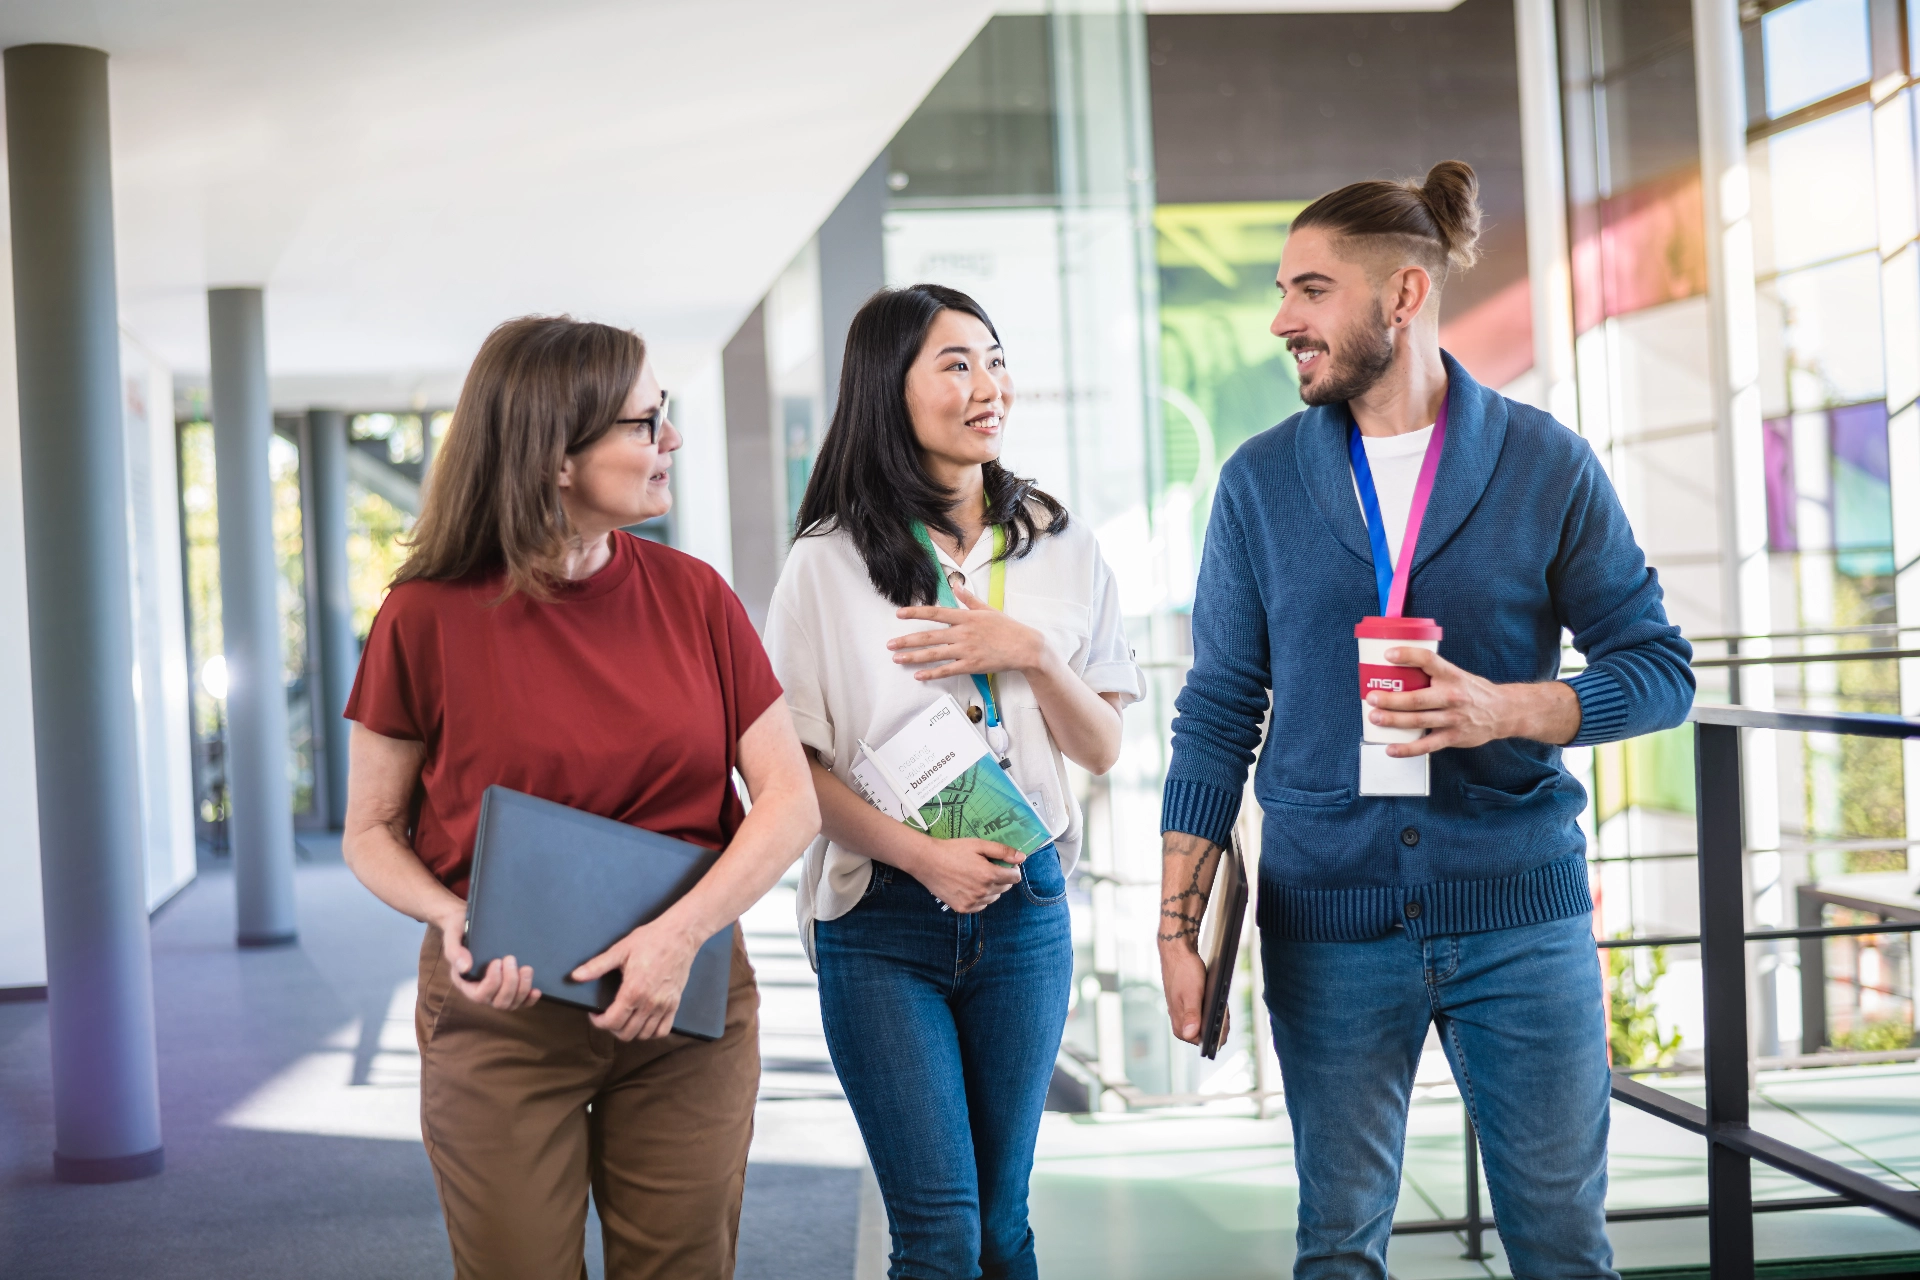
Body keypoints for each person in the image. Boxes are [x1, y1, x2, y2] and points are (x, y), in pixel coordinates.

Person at [1155, 162, 1693, 1278]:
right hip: (1327, 923)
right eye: (1280, 290)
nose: (1281, 319)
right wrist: (1176, 925)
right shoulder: (1258, 484)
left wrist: (1512, 707)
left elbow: (1657, 669)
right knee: (1338, 1247)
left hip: (1520, 917)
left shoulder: (1546, 462)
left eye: (1309, 290)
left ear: (1401, 297)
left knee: (1561, 1245)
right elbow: (1215, 713)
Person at [340, 315, 820, 1280]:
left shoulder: (697, 598)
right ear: (556, 456)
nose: (670, 442)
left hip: (685, 1004)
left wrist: (677, 941)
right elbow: (370, 832)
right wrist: (451, 917)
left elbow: (789, 804)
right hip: (504, 1010)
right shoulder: (424, 616)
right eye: (646, 424)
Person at [764, 284, 1143, 1279]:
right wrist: (924, 856)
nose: (990, 385)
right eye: (958, 363)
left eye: (996, 358)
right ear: (890, 388)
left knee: (1002, 1227)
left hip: (1027, 911)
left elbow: (1103, 746)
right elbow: (791, 771)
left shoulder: (1060, 541)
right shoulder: (825, 563)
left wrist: (1028, 652)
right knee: (936, 1237)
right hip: (884, 918)